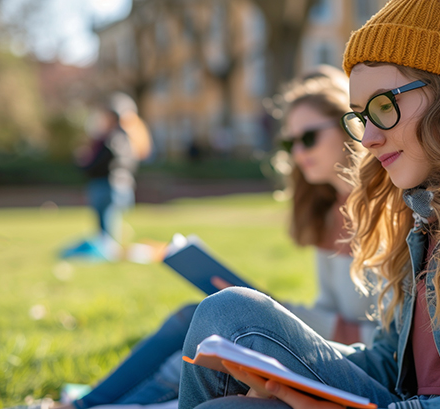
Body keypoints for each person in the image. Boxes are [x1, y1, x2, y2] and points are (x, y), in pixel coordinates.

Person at [176, 1, 440, 408]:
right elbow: (391, 364)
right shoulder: (424, 208)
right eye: (360, 116)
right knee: (225, 324)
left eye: (384, 107)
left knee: (226, 357)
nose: (366, 139)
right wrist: (287, 375)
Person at [46, 65, 379, 409]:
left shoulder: (388, 211)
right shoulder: (328, 213)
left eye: (308, 137)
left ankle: (85, 406)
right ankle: (83, 404)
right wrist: (266, 309)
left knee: (211, 332)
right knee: (197, 317)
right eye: (289, 141)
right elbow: (329, 311)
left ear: (348, 126)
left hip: (360, 366)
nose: (297, 152)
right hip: (329, 347)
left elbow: (390, 344)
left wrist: (266, 312)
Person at [62, 93, 145, 261]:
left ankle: (108, 254)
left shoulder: (113, 138)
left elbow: (102, 162)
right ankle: (108, 251)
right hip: (117, 185)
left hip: (108, 185)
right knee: (108, 226)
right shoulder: (127, 138)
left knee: (106, 227)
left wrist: (84, 164)